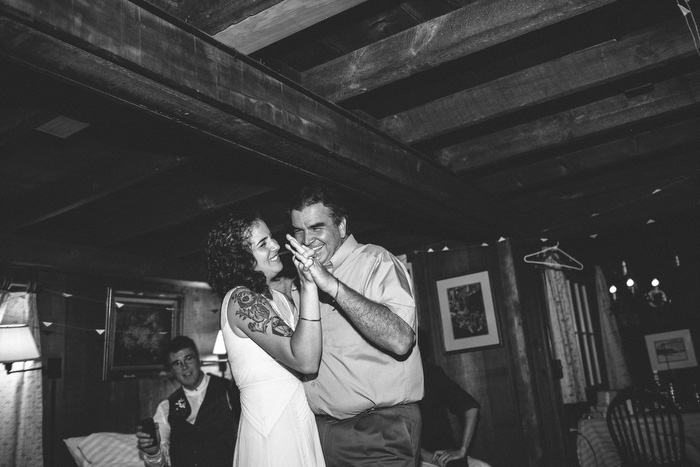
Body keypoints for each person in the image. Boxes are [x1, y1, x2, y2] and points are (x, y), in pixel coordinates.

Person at [289, 184, 424, 467]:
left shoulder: (376, 260)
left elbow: (401, 340)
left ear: (341, 226)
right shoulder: (297, 283)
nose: (307, 239)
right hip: (323, 432)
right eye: (299, 231)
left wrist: (333, 286)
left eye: (316, 227)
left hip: (378, 429)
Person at [206, 212, 332, 467]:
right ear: (241, 259)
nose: (276, 245)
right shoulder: (240, 299)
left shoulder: (281, 300)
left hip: (301, 415)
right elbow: (305, 360)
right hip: (273, 424)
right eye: (263, 244)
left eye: (271, 238)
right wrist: (309, 285)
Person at [136, 335, 240, 467]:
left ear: (199, 359)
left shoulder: (228, 391)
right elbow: (159, 464)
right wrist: (153, 452)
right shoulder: (166, 408)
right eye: (177, 363)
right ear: (171, 370)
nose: (184, 367)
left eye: (188, 358)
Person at [419, 331, 491, 467]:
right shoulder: (393, 382)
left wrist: (462, 450)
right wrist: (424, 456)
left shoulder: (432, 373)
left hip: (445, 454)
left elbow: (471, 406)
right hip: (414, 457)